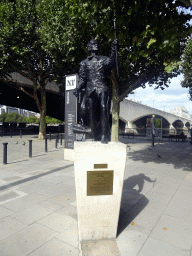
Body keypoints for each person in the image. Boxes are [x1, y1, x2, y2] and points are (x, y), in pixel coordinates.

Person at [73, 38, 118, 144]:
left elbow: (112, 63)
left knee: (104, 111)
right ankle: (95, 135)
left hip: (102, 88)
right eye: (93, 44)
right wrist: (77, 88)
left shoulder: (103, 59)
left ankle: (104, 135)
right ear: (89, 48)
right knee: (92, 114)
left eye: (97, 44)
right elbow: (83, 79)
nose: (96, 45)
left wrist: (114, 49)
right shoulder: (84, 63)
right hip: (90, 89)